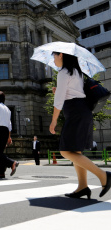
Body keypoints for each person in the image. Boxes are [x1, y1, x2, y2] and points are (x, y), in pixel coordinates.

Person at [50, 52, 111, 199]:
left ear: (61, 55)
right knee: (75, 152)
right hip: (82, 110)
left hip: (75, 112)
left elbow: (59, 101)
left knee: (65, 151)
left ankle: (104, 176)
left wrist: (54, 121)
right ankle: (83, 186)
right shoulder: (77, 72)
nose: (53, 60)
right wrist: (59, 91)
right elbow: (73, 92)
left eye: (54, 56)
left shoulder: (63, 72)